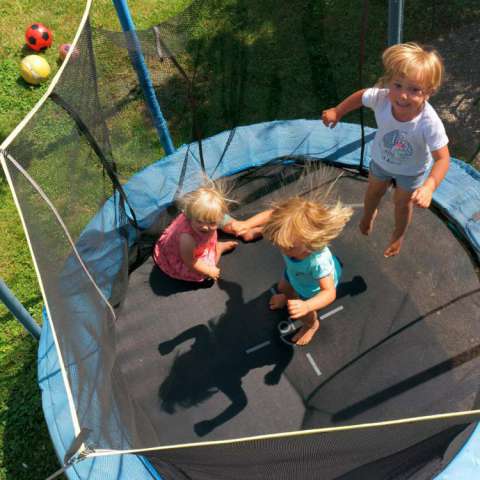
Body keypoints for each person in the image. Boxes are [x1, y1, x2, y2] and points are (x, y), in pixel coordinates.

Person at [322, 42, 450, 257]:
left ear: (429, 92)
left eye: (414, 90)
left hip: (411, 171)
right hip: (381, 160)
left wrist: (429, 186)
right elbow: (361, 96)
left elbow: (443, 159)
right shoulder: (382, 97)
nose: (403, 95)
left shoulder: (429, 122)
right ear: (389, 81)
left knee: (401, 204)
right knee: (373, 191)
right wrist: (338, 110)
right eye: (397, 85)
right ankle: (368, 215)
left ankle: (398, 234)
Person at [262, 197, 352, 346]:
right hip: (295, 275)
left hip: (312, 289)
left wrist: (307, 306)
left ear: (309, 241)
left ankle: (312, 325)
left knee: (304, 313)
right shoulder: (289, 240)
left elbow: (329, 292)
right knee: (283, 288)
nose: (283, 249)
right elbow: (272, 215)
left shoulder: (318, 261)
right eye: (278, 244)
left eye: (289, 247)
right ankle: (287, 298)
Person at [153, 182, 238, 282]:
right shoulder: (187, 238)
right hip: (182, 256)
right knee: (205, 275)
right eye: (200, 221)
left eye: (212, 222)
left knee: (209, 233)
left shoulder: (200, 224)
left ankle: (215, 247)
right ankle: (217, 250)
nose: (205, 227)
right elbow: (190, 261)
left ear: (220, 219)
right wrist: (208, 271)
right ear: (191, 216)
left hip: (195, 247)